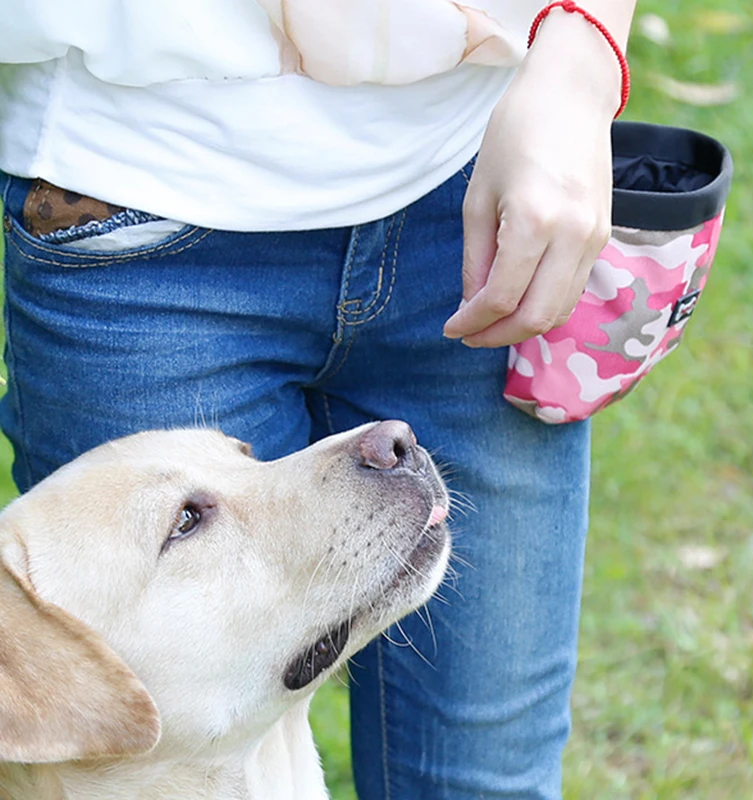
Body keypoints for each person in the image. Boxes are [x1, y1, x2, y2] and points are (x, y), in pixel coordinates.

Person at [0, 1, 637, 797]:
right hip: (134, 187)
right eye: (188, 519)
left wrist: (579, 62)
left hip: (480, 169)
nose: (382, 443)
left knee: (487, 783)